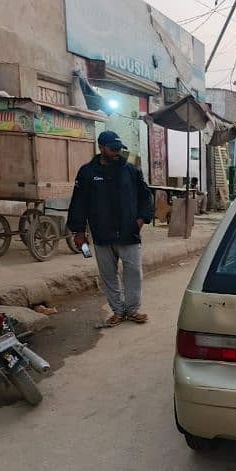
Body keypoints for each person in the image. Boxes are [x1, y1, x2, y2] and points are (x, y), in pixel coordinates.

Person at [68, 131, 154, 327]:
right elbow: (79, 202)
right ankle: (117, 311)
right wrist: (79, 231)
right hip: (101, 234)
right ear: (101, 147)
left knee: (133, 272)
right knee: (108, 275)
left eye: (118, 148)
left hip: (129, 232)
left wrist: (141, 220)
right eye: (112, 148)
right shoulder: (87, 173)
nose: (116, 152)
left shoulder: (131, 171)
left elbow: (145, 196)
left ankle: (132, 310)